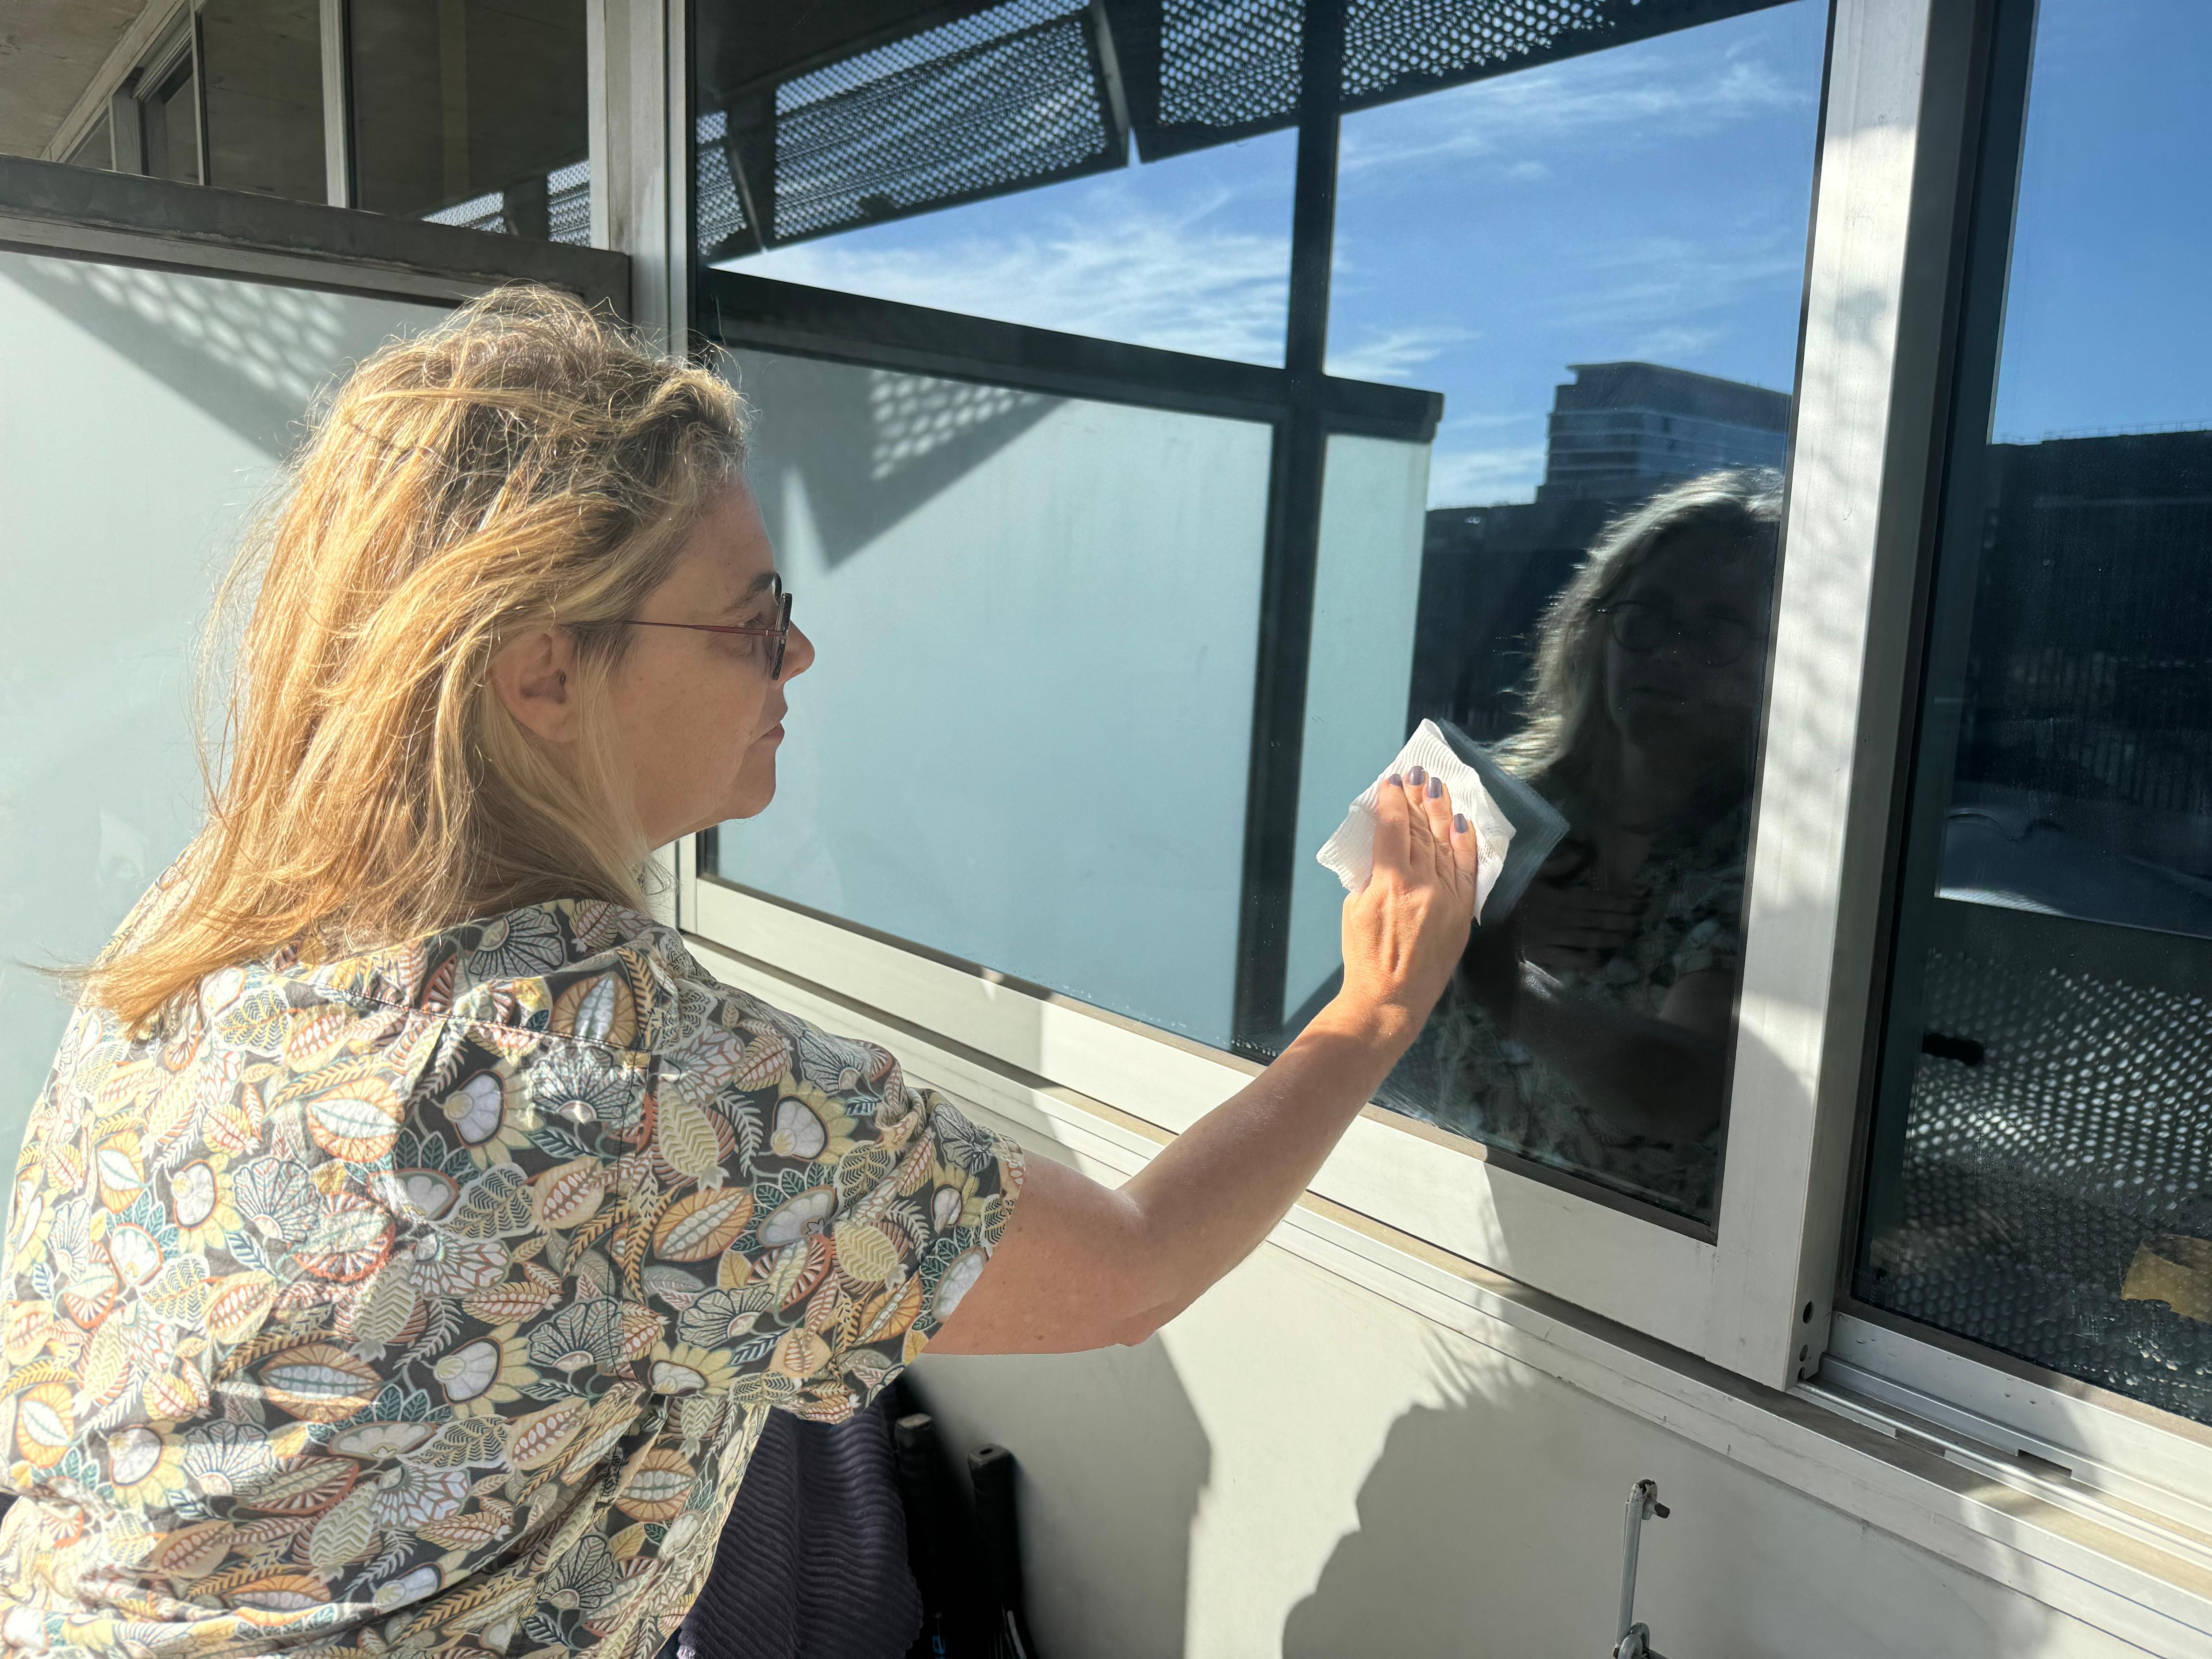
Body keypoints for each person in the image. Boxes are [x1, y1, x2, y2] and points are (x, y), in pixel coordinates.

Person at [0, 288, 1481, 1659]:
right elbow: (1135, 1264)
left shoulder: (210, 921)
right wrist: (1375, 1010)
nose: (803, 659)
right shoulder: (616, 1074)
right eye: (754, 621)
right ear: (543, 672)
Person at [1388, 471, 1780, 1218]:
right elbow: (1360, 981)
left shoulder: (1772, 855)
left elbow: (1684, 1092)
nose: (1670, 654)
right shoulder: (1501, 796)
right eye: (1647, 617)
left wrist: (1490, 960)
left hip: (1644, 1282)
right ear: (1596, 630)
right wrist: (1481, 895)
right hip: (1449, 1228)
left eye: (1721, 632)